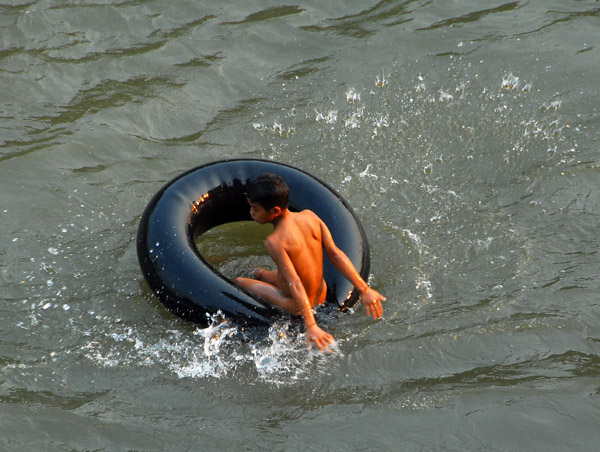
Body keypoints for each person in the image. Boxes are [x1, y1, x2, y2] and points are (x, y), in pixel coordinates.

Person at [235, 173, 386, 352]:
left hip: (296, 303)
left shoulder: (275, 241)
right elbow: (336, 255)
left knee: (239, 281)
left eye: (255, 209)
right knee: (261, 273)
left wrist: (311, 324)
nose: (251, 213)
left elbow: (295, 282)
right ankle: (260, 275)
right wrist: (364, 289)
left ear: (275, 211)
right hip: (321, 295)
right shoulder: (310, 216)